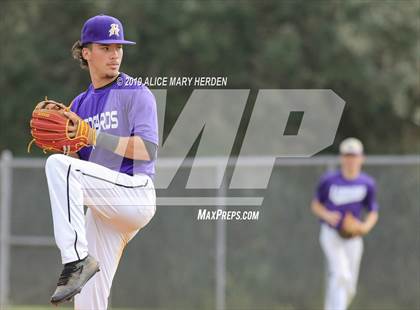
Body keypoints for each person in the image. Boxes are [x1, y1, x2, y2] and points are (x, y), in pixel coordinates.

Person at [44, 14, 158, 309]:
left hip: (135, 194)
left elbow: (147, 149)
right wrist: (66, 147)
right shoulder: (79, 105)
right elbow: (79, 165)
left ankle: (74, 261)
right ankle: (81, 266)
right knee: (87, 299)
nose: (115, 54)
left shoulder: (136, 93)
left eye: (118, 47)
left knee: (58, 167)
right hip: (103, 208)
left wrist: (92, 136)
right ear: (86, 52)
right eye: (106, 47)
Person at [311, 137, 379, 310]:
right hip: (331, 233)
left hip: (353, 237)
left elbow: (373, 211)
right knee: (341, 273)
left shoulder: (367, 183)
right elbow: (316, 205)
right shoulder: (329, 180)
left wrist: (364, 227)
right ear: (341, 158)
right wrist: (327, 215)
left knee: (350, 287)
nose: (351, 160)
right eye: (347, 155)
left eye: (354, 156)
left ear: (361, 158)